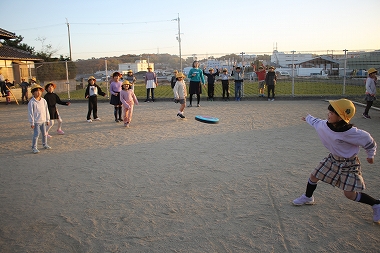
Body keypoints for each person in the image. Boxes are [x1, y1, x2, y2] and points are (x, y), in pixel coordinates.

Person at [292, 99, 380, 223]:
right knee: (314, 176)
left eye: (332, 113)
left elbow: (369, 142)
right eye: (329, 111)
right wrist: (307, 118)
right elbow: (315, 121)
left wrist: (370, 155)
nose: (328, 114)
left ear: (340, 117)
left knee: (349, 194)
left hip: (349, 163)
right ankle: (308, 197)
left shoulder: (352, 133)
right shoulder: (324, 125)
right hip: (333, 158)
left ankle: (376, 204)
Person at [28, 83, 51, 154]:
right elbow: (30, 113)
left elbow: (46, 110)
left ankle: (45, 144)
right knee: (36, 134)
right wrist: (32, 122)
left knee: (44, 134)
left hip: (43, 121)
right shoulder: (32, 102)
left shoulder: (43, 101)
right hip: (36, 122)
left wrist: (47, 119)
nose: (38, 93)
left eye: (40, 91)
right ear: (33, 92)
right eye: (36, 91)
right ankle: (34, 147)